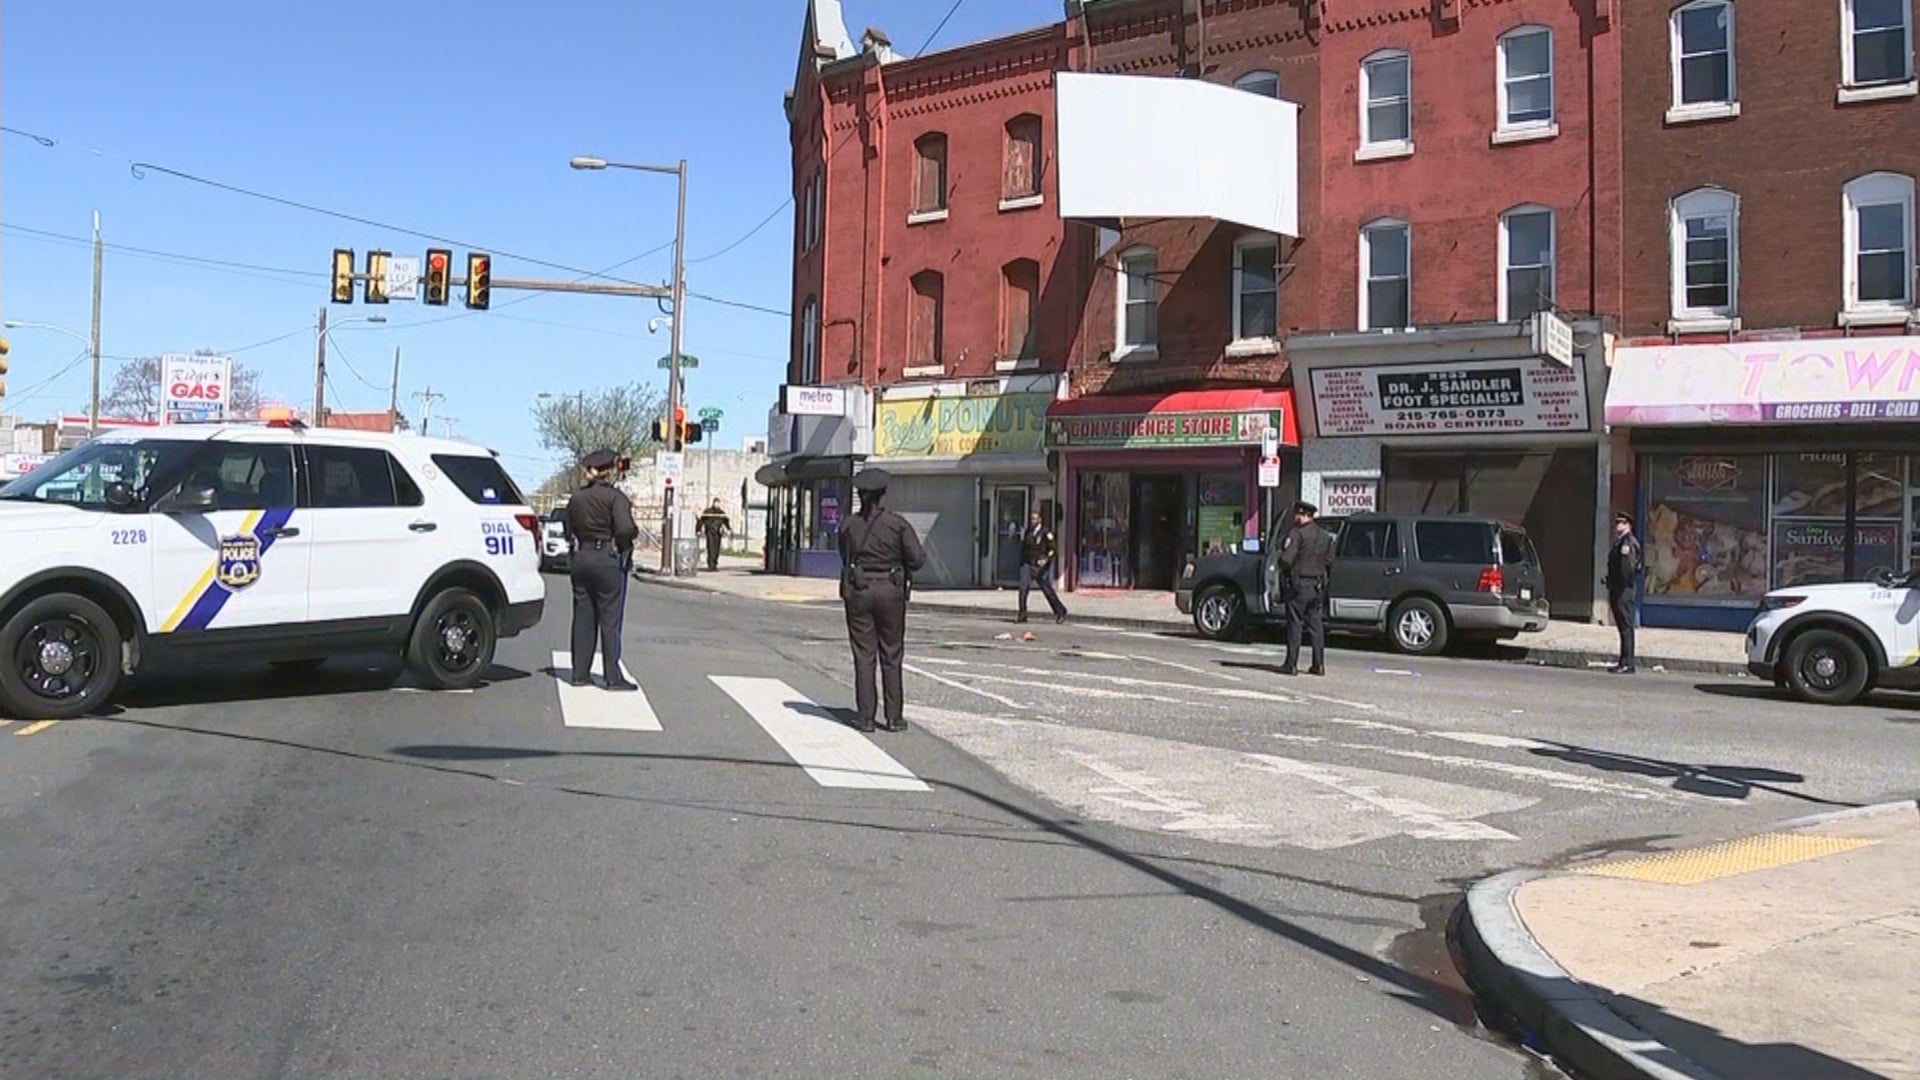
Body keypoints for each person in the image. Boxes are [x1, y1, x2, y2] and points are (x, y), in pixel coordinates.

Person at [839, 467, 926, 733]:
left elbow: (844, 556)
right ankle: (893, 716)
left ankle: (865, 716)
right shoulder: (897, 524)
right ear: (883, 495)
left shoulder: (848, 525)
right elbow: (917, 559)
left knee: (864, 654)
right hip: (890, 590)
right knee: (891, 653)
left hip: (859, 589)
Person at [566, 448, 639, 691]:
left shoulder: (576, 497)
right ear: (608, 471)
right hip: (607, 558)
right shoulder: (615, 498)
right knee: (609, 619)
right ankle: (612, 676)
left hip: (582, 557)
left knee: (583, 617)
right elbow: (626, 529)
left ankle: (579, 673)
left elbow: (568, 529)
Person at [1277, 500, 1335, 676]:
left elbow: (1287, 559)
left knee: (1295, 624)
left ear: (1303, 515)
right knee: (1316, 627)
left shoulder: (1297, 534)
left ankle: (1291, 664)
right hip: (1317, 585)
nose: (1295, 517)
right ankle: (1319, 665)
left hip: (1299, 584)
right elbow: (1329, 560)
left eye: (1297, 514)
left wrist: (1281, 561)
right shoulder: (1325, 536)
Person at [1606, 511, 1643, 675]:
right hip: (1619, 589)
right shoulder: (1620, 542)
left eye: (1621, 523)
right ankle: (1623, 660)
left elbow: (1626, 569)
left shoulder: (1628, 543)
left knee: (1626, 627)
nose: (1617, 526)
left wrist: (1620, 586)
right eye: (1617, 522)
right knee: (1623, 627)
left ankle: (1628, 663)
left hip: (1624, 590)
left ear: (1628, 524)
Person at [1016, 509, 1068, 624]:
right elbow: (1024, 548)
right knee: (1023, 589)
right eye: (1031, 519)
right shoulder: (1028, 531)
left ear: (1040, 520)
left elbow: (1052, 550)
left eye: (1034, 519)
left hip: (1040, 566)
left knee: (1047, 590)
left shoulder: (1046, 532)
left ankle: (1060, 611)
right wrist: (1022, 562)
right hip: (1028, 564)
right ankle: (1022, 614)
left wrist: (1046, 560)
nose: (1032, 521)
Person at [697, 498, 732, 571]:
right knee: (710, 548)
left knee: (716, 549)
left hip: (718, 533)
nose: (717, 504)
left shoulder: (721, 512)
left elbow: (726, 521)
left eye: (718, 503)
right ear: (713, 503)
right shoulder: (708, 511)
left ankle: (715, 564)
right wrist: (698, 530)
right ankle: (710, 565)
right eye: (715, 503)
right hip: (710, 531)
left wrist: (729, 529)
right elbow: (701, 520)